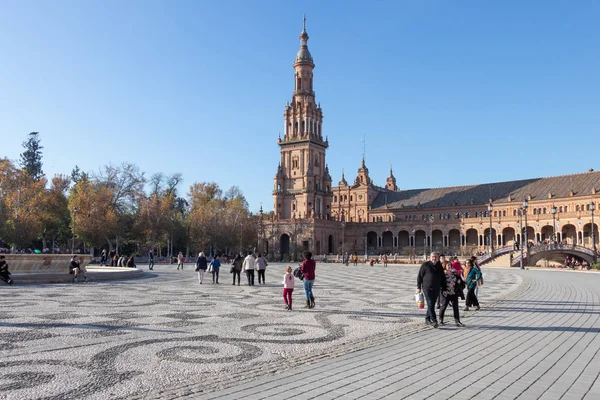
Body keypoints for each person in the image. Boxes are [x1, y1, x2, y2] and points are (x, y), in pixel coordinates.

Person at [416, 252, 447, 328]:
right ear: (430, 257)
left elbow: (443, 278)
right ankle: (434, 320)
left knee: (432, 305)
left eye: (435, 257)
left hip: (436, 288)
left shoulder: (439, 266)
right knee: (430, 303)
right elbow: (419, 276)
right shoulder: (425, 265)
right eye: (433, 256)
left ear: (437, 258)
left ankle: (427, 319)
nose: (434, 258)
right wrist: (418, 287)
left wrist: (444, 289)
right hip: (427, 288)